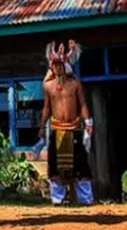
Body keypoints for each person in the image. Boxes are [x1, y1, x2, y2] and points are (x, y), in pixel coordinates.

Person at [40, 41, 94, 206]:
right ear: (52, 66)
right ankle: (58, 199)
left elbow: (83, 104)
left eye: (60, 64)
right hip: (57, 129)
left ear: (65, 65)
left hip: (74, 128)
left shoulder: (75, 84)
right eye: (55, 64)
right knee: (56, 166)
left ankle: (86, 200)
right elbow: (47, 108)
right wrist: (42, 126)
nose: (58, 67)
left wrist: (88, 122)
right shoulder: (48, 86)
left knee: (80, 164)